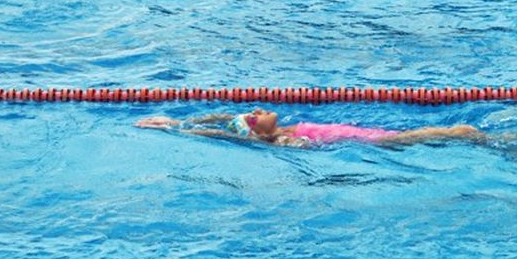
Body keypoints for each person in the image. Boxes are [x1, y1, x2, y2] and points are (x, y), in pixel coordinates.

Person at [136, 107, 484, 148]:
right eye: (255, 118)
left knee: (465, 134)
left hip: (373, 136)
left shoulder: (282, 128)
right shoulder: (284, 140)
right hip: (380, 144)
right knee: (460, 133)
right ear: (261, 134)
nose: (258, 109)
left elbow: (224, 119)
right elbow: (225, 132)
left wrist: (178, 121)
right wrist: (177, 132)